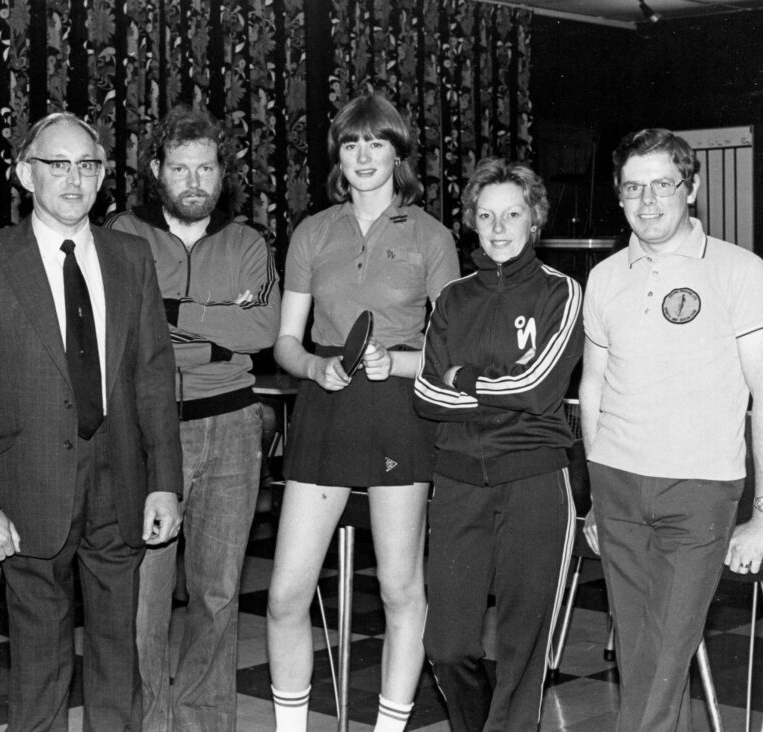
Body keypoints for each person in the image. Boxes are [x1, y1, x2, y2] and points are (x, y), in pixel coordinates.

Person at [0, 111, 183, 730]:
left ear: (102, 176)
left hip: (120, 481)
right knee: (40, 662)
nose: (74, 180)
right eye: (58, 164)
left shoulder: (131, 257)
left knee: (117, 655)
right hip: (27, 488)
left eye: (88, 165)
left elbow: (155, 377)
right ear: (26, 174)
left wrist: (165, 482)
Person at [266, 94, 459, 732]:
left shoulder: (431, 236)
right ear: (338, 157)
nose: (364, 155)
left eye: (377, 142)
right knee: (285, 595)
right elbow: (285, 342)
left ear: (398, 153)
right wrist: (312, 367)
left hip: (399, 408)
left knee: (401, 590)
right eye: (351, 144)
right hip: (325, 404)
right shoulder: (313, 232)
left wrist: (397, 363)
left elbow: (449, 349)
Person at [581, 128, 763, 731]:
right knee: (643, 660)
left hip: (700, 490)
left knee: (663, 658)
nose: (647, 202)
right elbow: (593, 388)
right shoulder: (605, 276)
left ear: (690, 189)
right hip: (616, 484)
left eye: (662, 185)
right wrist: (596, 497)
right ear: (618, 195)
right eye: (632, 188)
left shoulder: (741, 271)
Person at [106, 104, 280, 731]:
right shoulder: (123, 233)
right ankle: (149, 722)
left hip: (231, 424)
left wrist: (170, 311)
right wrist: (216, 323)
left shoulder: (248, 241)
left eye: (205, 167)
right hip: (146, 427)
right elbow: (122, 330)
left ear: (221, 172)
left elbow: (260, 331)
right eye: (180, 167)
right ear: (157, 169)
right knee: (143, 597)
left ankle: (205, 723)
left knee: (218, 592)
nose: (194, 180)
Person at [413, 158, 583, 731]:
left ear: (535, 219)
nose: (499, 228)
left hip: (534, 479)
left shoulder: (561, 291)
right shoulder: (452, 297)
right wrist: (499, 390)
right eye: (486, 216)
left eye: (512, 214)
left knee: (521, 650)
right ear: (472, 222)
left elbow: (539, 388)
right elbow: (425, 394)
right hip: (458, 481)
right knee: (447, 645)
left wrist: (463, 378)